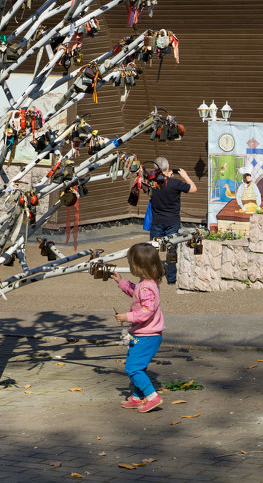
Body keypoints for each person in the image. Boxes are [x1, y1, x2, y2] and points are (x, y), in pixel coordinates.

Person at [112, 243, 164, 413]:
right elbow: (136, 292)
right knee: (138, 367)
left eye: (130, 264)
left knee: (132, 368)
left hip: (147, 335)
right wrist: (121, 282)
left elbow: (146, 311)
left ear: (138, 266)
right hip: (145, 334)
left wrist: (127, 317)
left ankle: (152, 397)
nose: (130, 267)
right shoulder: (147, 283)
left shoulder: (147, 287)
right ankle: (136, 397)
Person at [149, 156, 197, 284]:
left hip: (157, 221)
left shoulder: (151, 183)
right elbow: (193, 188)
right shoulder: (175, 183)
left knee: (153, 249)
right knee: (172, 249)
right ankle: (171, 278)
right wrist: (185, 176)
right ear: (168, 166)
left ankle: (152, 276)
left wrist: (165, 178)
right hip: (172, 221)